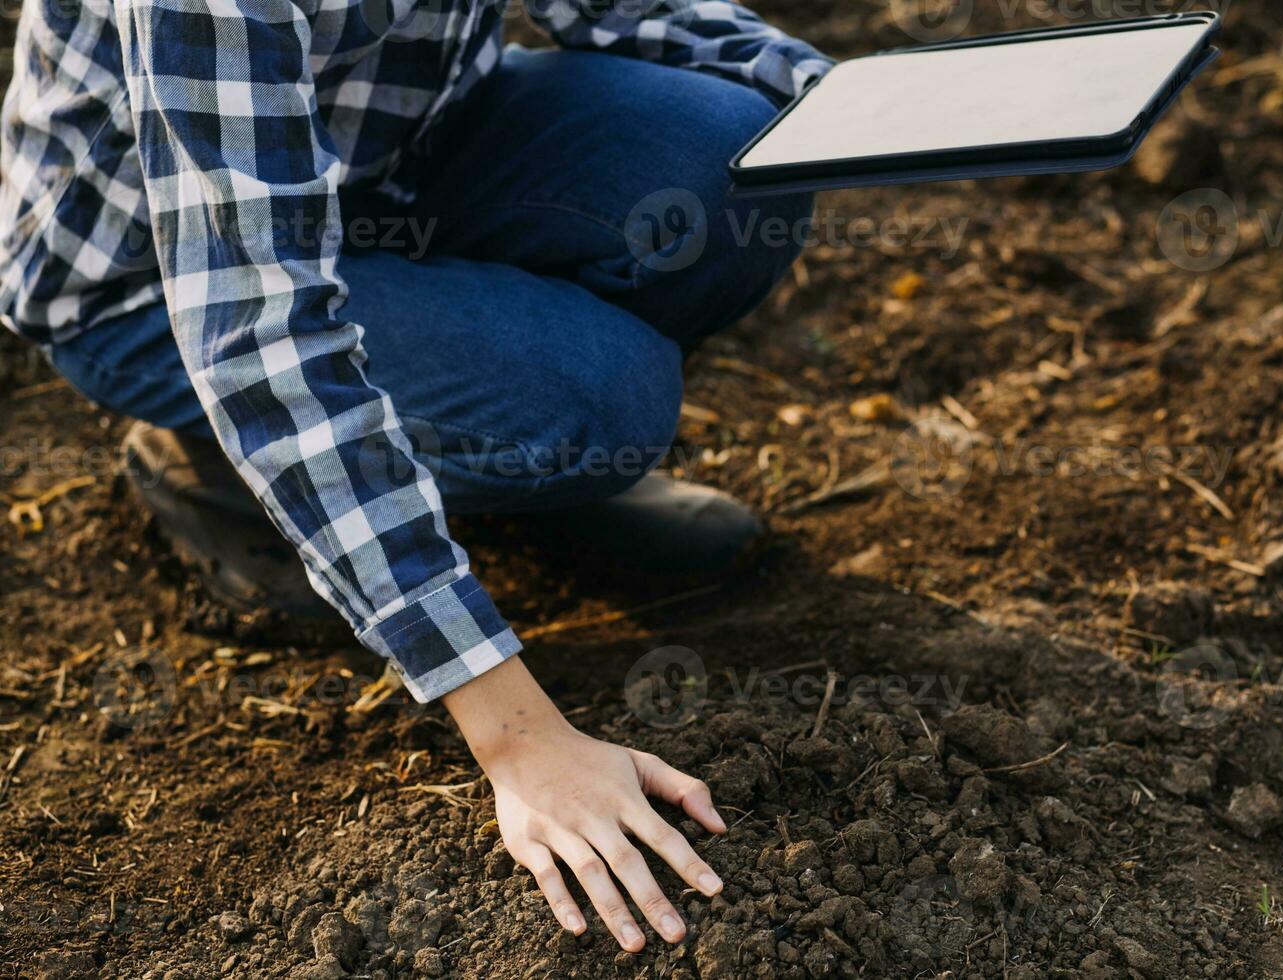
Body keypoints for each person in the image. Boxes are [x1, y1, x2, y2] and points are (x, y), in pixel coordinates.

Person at [0, 0, 829, 952]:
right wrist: (520, 739)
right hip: (160, 273)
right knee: (596, 403)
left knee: (747, 160)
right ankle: (220, 465)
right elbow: (259, 334)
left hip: (393, 165)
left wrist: (859, 107)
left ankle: (495, 459)